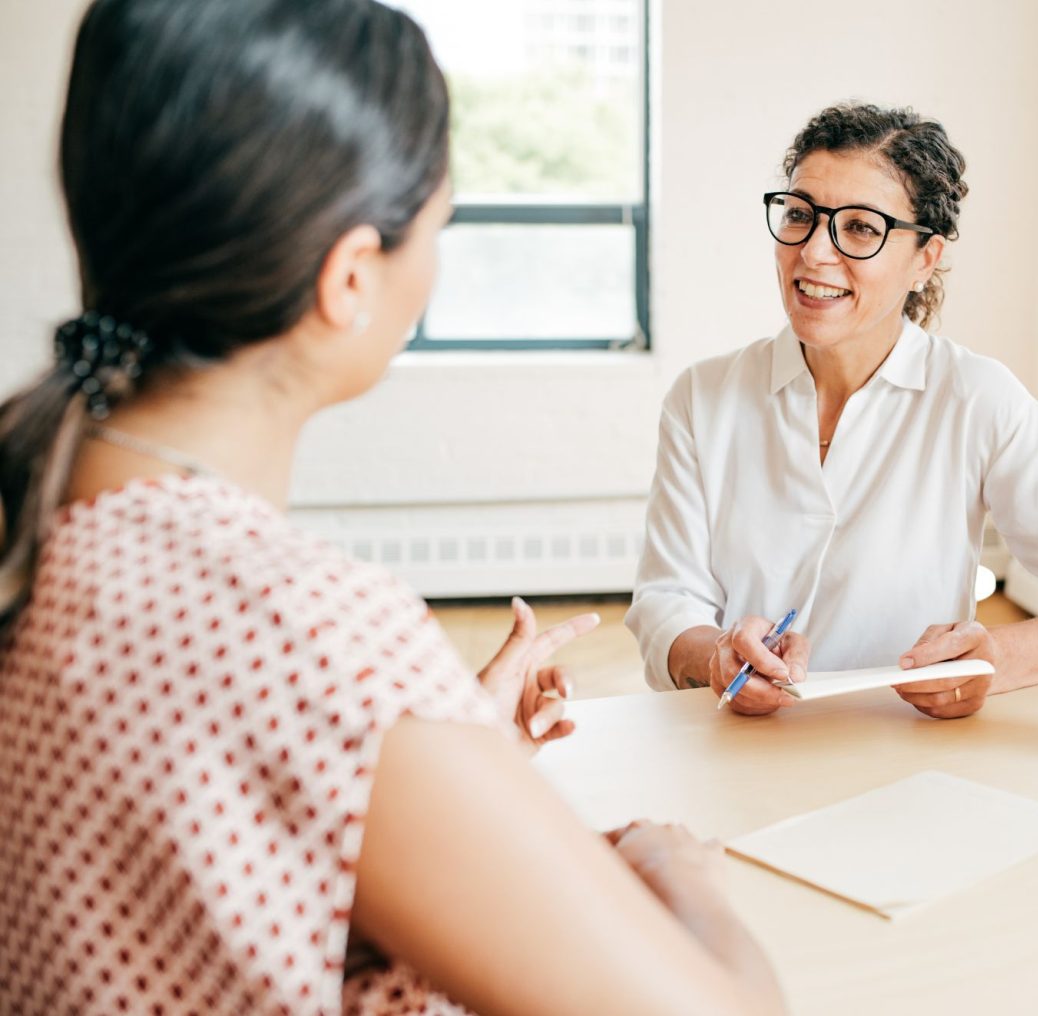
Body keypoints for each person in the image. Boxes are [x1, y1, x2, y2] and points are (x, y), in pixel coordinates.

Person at [0, 1, 781, 1013]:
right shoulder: (315, 640)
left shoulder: (48, 515)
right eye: (439, 226)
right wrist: (679, 869)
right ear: (351, 276)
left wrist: (438, 745)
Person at [626, 103, 1038, 719]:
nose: (814, 253)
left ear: (924, 259)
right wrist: (716, 654)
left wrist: (991, 660)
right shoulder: (702, 397)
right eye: (799, 215)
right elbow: (665, 600)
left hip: (907, 750)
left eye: (862, 228)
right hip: (737, 743)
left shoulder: (976, 397)